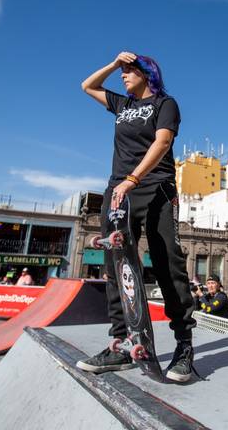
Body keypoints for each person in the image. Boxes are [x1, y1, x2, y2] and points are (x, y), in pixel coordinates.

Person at [75, 51, 196, 383]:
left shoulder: (164, 104)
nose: (123, 76)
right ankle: (122, 345)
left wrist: (133, 179)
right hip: (119, 192)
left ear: (147, 74)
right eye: (122, 72)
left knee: (167, 262)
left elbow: (163, 142)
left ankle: (184, 346)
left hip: (156, 187)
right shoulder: (121, 105)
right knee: (116, 264)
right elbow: (87, 85)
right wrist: (114, 63)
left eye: (129, 71)